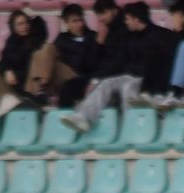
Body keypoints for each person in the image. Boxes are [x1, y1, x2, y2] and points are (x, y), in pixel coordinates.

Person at [62, 2, 177, 130]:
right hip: (130, 75)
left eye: (127, 19)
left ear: (136, 18)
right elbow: (119, 61)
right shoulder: (129, 37)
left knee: (128, 87)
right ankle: (83, 117)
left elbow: (165, 63)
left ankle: (131, 127)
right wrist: (96, 79)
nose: (126, 22)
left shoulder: (161, 35)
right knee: (105, 83)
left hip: (148, 79)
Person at [0, 9, 52, 116]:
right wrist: (7, 70)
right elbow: (3, 62)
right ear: (13, 27)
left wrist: (33, 22)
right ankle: (7, 101)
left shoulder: (35, 39)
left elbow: (40, 25)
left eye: (26, 23)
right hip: (14, 82)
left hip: (30, 81)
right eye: (20, 24)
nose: (24, 26)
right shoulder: (11, 41)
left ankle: (14, 102)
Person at [49, 4, 105, 107]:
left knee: (69, 86)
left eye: (81, 20)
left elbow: (90, 65)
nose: (80, 24)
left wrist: (97, 44)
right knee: (47, 50)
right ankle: (39, 92)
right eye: (75, 21)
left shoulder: (93, 37)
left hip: (83, 76)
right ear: (66, 23)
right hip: (64, 75)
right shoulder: (61, 39)